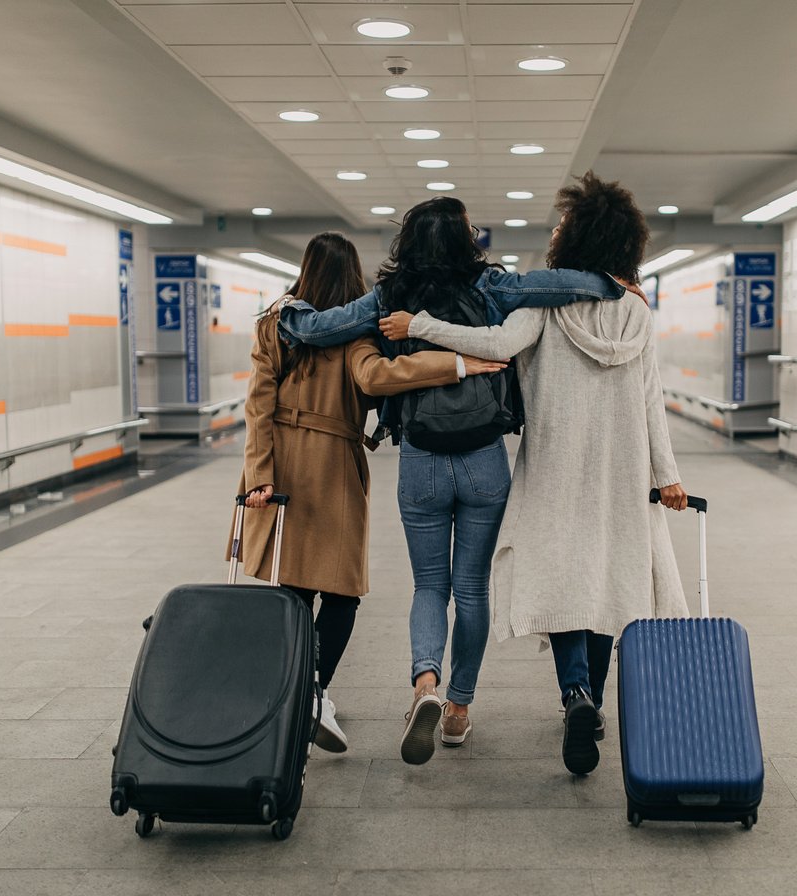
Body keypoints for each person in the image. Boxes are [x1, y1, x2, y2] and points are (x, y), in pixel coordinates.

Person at [275, 198, 630, 766]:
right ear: (466, 239)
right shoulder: (491, 285)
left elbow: (323, 328)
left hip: (420, 457)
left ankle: (425, 685)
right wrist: (610, 284)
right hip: (484, 457)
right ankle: (460, 709)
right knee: (472, 589)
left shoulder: (392, 296)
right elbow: (558, 285)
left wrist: (288, 312)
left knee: (429, 586)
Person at [378, 173, 690, 775]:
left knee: (562, 579)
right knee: (607, 580)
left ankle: (571, 692)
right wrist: (667, 474)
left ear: (578, 238)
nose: (554, 231)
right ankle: (590, 701)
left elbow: (492, 346)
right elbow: (652, 399)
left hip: (555, 463)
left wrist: (419, 325)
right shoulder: (638, 313)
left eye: (562, 225)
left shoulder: (543, 307)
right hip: (621, 471)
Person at [235, 231, 506, 754]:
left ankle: (294, 692)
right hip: (334, 466)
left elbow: (257, 405)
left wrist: (259, 476)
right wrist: (457, 362)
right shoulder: (355, 335)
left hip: (283, 466)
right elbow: (380, 376)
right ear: (352, 279)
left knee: (292, 588)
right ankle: (313, 691)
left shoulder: (275, 325)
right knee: (342, 595)